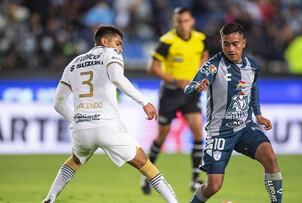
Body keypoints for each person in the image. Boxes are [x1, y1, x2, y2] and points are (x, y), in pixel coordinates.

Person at [42, 25, 178, 203]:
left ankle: (49, 198)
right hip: (107, 126)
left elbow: (58, 104)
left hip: (81, 129)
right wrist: (144, 102)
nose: (120, 48)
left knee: (75, 160)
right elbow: (116, 78)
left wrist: (75, 120)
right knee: (145, 164)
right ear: (104, 41)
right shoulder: (110, 54)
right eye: (118, 43)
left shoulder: (73, 63)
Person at [185, 23, 283, 203]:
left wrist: (258, 114)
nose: (231, 49)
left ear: (243, 43)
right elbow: (188, 87)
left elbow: (253, 89)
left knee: (270, 157)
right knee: (213, 186)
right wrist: (197, 86)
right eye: (226, 44)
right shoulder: (213, 66)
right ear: (221, 43)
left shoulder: (252, 66)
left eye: (235, 43)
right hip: (220, 132)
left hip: (245, 127)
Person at [141, 7, 209, 193]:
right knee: (162, 136)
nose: (183, 24)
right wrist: (174, 80)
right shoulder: (167, 41)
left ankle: (195, 178)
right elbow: (152, 67)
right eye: (179, 21)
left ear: (192, 21)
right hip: (170, 93)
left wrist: (200, 72)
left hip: (190, 93)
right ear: (174, 22)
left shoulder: (200, 39)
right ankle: (147, 175)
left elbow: (204, 55)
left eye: (186, 21)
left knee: (197, 130)